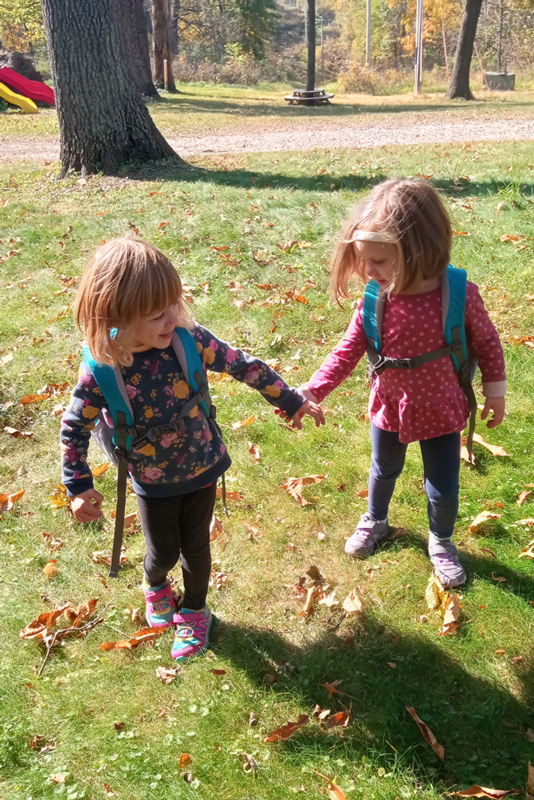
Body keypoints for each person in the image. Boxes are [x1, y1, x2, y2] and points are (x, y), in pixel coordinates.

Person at [61, 237, 325, 661]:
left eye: (174, 305)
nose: (171, 319)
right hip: (150, 478)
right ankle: (155, 583)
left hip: (202, 464)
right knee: (162, 550)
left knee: (196, 546)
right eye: (156, 315)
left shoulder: (188, 339)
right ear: (118, 319)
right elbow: (75, 425)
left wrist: (291, 400)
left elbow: (242, 364)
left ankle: (195, 611)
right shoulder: (104, 368)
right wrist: (77, 486)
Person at [298, 178, 506, 588]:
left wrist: (495, 391)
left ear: (419, 250)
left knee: (443, 487)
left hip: (442, 408)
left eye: (378, 261)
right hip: (389, 405)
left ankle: (442, 541)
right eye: (363, 260)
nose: (367, 271)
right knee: (383, 468)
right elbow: (347, 350)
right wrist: (313, 389)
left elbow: (487, 343)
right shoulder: (375, 298)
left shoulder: (457, 294)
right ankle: (375, 520)